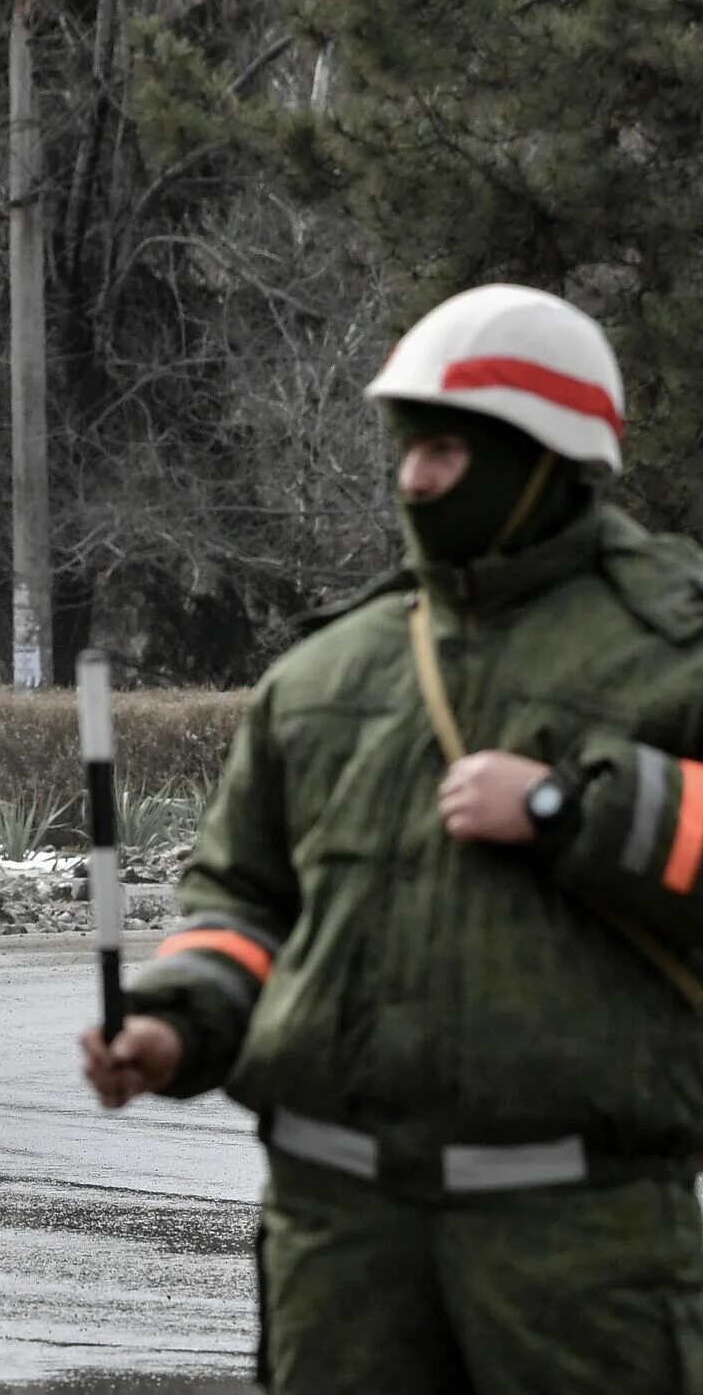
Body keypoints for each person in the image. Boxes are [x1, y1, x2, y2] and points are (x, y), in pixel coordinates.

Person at [82, 283, 703, 1393]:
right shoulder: (326, 674)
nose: (413, 477)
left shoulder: (672, 650)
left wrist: (572, 808)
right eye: (407, 447)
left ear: (543, 457)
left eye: (448, 451)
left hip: (579, 1241)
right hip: (338, 1237)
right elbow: (245, 908)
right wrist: (178, 1027)